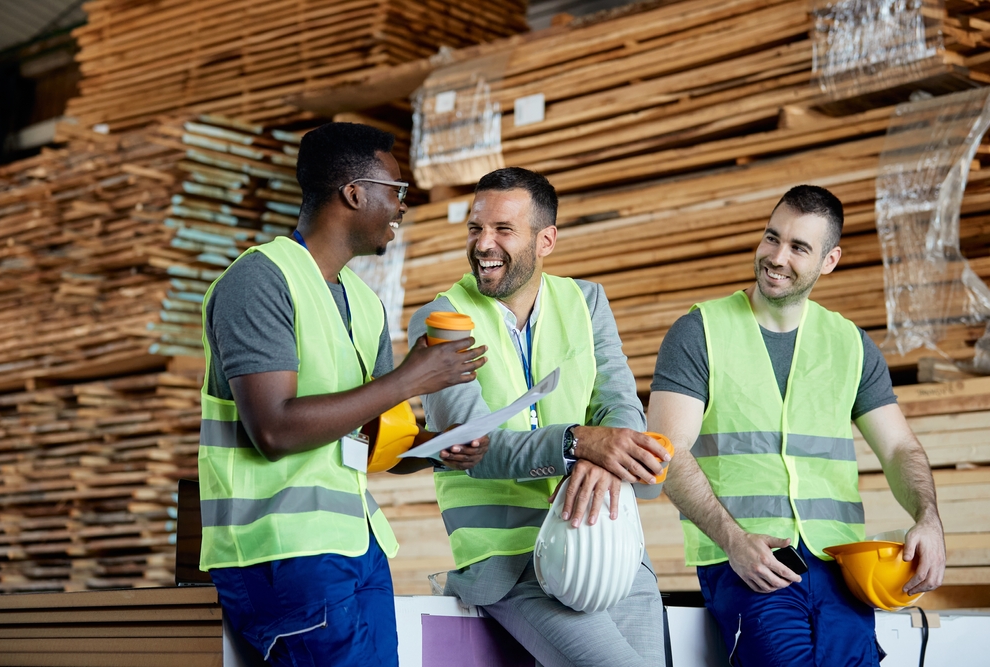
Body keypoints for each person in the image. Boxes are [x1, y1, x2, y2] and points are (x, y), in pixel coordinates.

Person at [198, 122, 490, 667]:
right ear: (354, 194)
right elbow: (275, 430)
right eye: (396, 191)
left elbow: (369, 441)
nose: (404, 206)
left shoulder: (364, 301)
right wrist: (411, 378)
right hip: (283, 554)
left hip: (358, 548)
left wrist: (436, 448)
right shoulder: (259, 281)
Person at [647, 185, 946, 666]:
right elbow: (668, 450)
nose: (776, 257)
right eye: (772, 238)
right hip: (747, 562)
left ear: (829, 260)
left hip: (839, 568)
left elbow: (898, 449)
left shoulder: (850, 344)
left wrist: (929, 518)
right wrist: (733, 542)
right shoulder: (700, 332)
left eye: (798, 247)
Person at [408, 167, 672, 667]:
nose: (484, 244)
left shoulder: (586, 302)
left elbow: (621, 409)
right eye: (475, 228)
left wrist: (598, 455)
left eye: (503, 230)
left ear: (545, 239)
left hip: (606, 546)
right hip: (509, 562)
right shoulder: (441, 319)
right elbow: (473, 447)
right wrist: (578, 444)